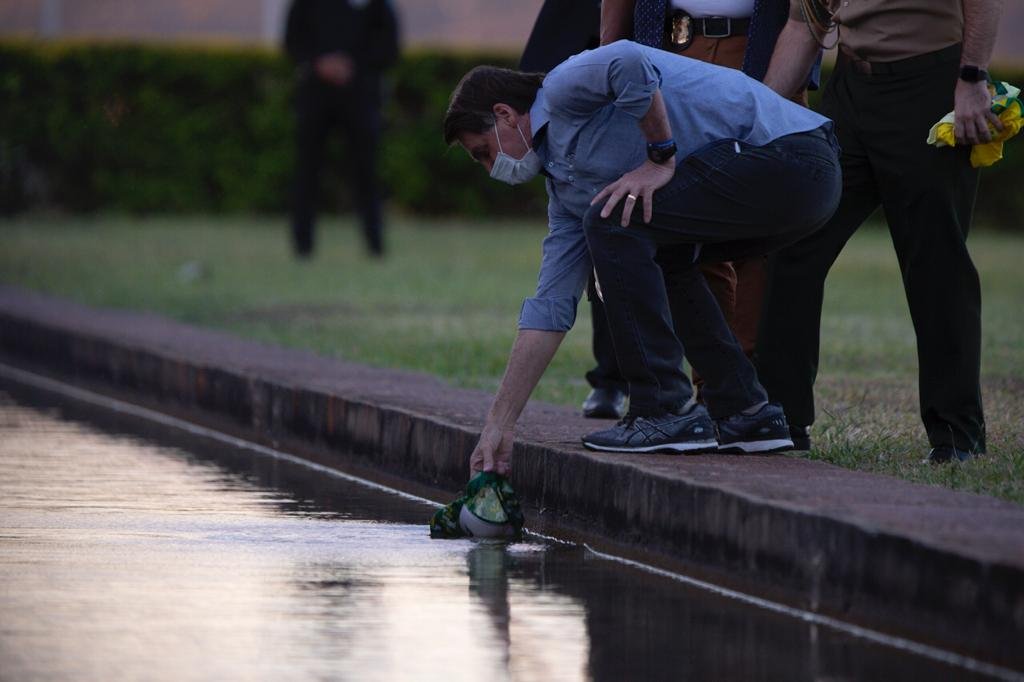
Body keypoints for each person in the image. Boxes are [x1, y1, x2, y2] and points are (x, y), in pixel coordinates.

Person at [443, 41, 842, 470]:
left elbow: (630, 60)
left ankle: (662, 408)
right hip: (786, 186)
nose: (490, 168)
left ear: (504, 114)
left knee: (615, 219)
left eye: (483, 152)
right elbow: (550, 307)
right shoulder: (566, 194)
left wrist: (660, 155)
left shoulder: (560, 88)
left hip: (795, 159)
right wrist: (499, 425)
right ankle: (745, 411)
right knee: (645, 238)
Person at [755, 0, 1004, 462]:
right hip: (849, 90)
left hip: (929, 85)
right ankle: (780, 417)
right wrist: (759, 110)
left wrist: (973, 79)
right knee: (794, 239)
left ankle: (956, 434)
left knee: (935, 261)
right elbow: (801, 22)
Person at [579, 0, 818, 420]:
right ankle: (717, 393)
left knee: (759, 238)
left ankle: (746, 398)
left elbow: (806, 19)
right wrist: (608, 63)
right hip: (674, 48)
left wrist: (764, 104)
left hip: (767, 48)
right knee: (689, 226)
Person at [518, 0, 629, 420]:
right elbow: (539, 70)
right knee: (604, 230)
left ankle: (714, 389)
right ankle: (614, 376)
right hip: (594, 124)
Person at [283, 0, 399, 258]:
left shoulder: (375, 4)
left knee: (367, 172)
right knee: (307, 172)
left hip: (360, 97)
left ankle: (375, 245)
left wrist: (354, 65)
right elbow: (292, 40)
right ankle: (302, 246)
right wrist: (319, 64)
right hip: (315, 98)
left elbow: (390, 46)